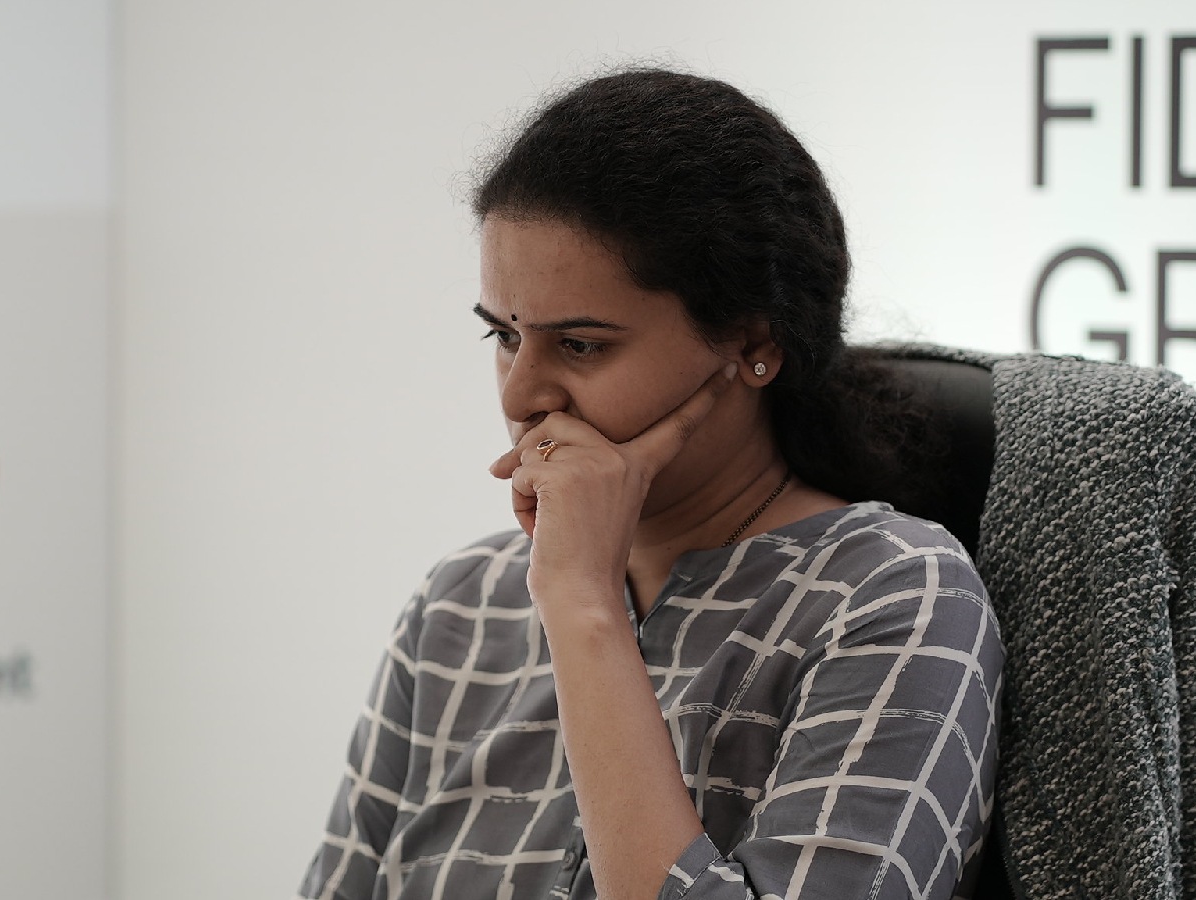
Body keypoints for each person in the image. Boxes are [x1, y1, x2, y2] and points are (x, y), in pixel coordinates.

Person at [299, 69, 1002, 900]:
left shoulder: (892, 595)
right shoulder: (459, 606)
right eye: (503, 336)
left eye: (583, 345)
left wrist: (582, 601)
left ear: (753, 343)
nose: (522, 396)